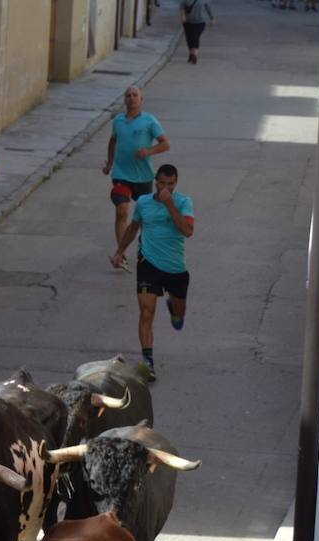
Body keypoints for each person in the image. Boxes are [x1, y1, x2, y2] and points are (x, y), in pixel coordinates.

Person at [109, 164, 194, 383]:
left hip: (175, 267)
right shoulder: (144, 202)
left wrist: (169, 204)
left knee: (179, 315)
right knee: (146, 312)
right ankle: (148, 361)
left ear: (176, 183)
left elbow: (187, 231)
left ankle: (174, 310)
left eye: (171, 183)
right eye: (163, 183)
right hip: (148, 263)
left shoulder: (183, 202)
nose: (167, 187)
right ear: (156, 181)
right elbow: (133, 228)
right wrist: (120, 252)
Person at [103, 86, 170, 270]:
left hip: (143, 177)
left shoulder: (149, 121)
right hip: (121, 175)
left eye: (135, 95)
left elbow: (165, 144)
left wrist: (149, 151)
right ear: (124, 100)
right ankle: (121, 253)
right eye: (128, 95)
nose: (131, 98)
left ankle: (148, 251)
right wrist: (109, 163)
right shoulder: (118, 121)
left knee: (142, 219)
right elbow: (113, 140)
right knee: (122, 210)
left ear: (141, 100)